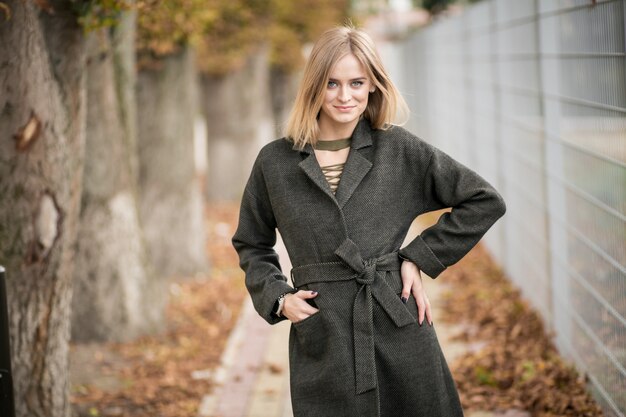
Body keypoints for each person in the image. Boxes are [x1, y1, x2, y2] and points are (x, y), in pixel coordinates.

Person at [232, 25, 506, 417]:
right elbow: (252, 243)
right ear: (314, 87)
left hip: (397, 320)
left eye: (357, 82)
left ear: (374, 85)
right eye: (332, 84)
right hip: (324, 334)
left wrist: (419, 257)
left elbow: (483, 200)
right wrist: (279, 299)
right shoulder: (275, 162)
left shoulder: (397, 149)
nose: (346, 96)